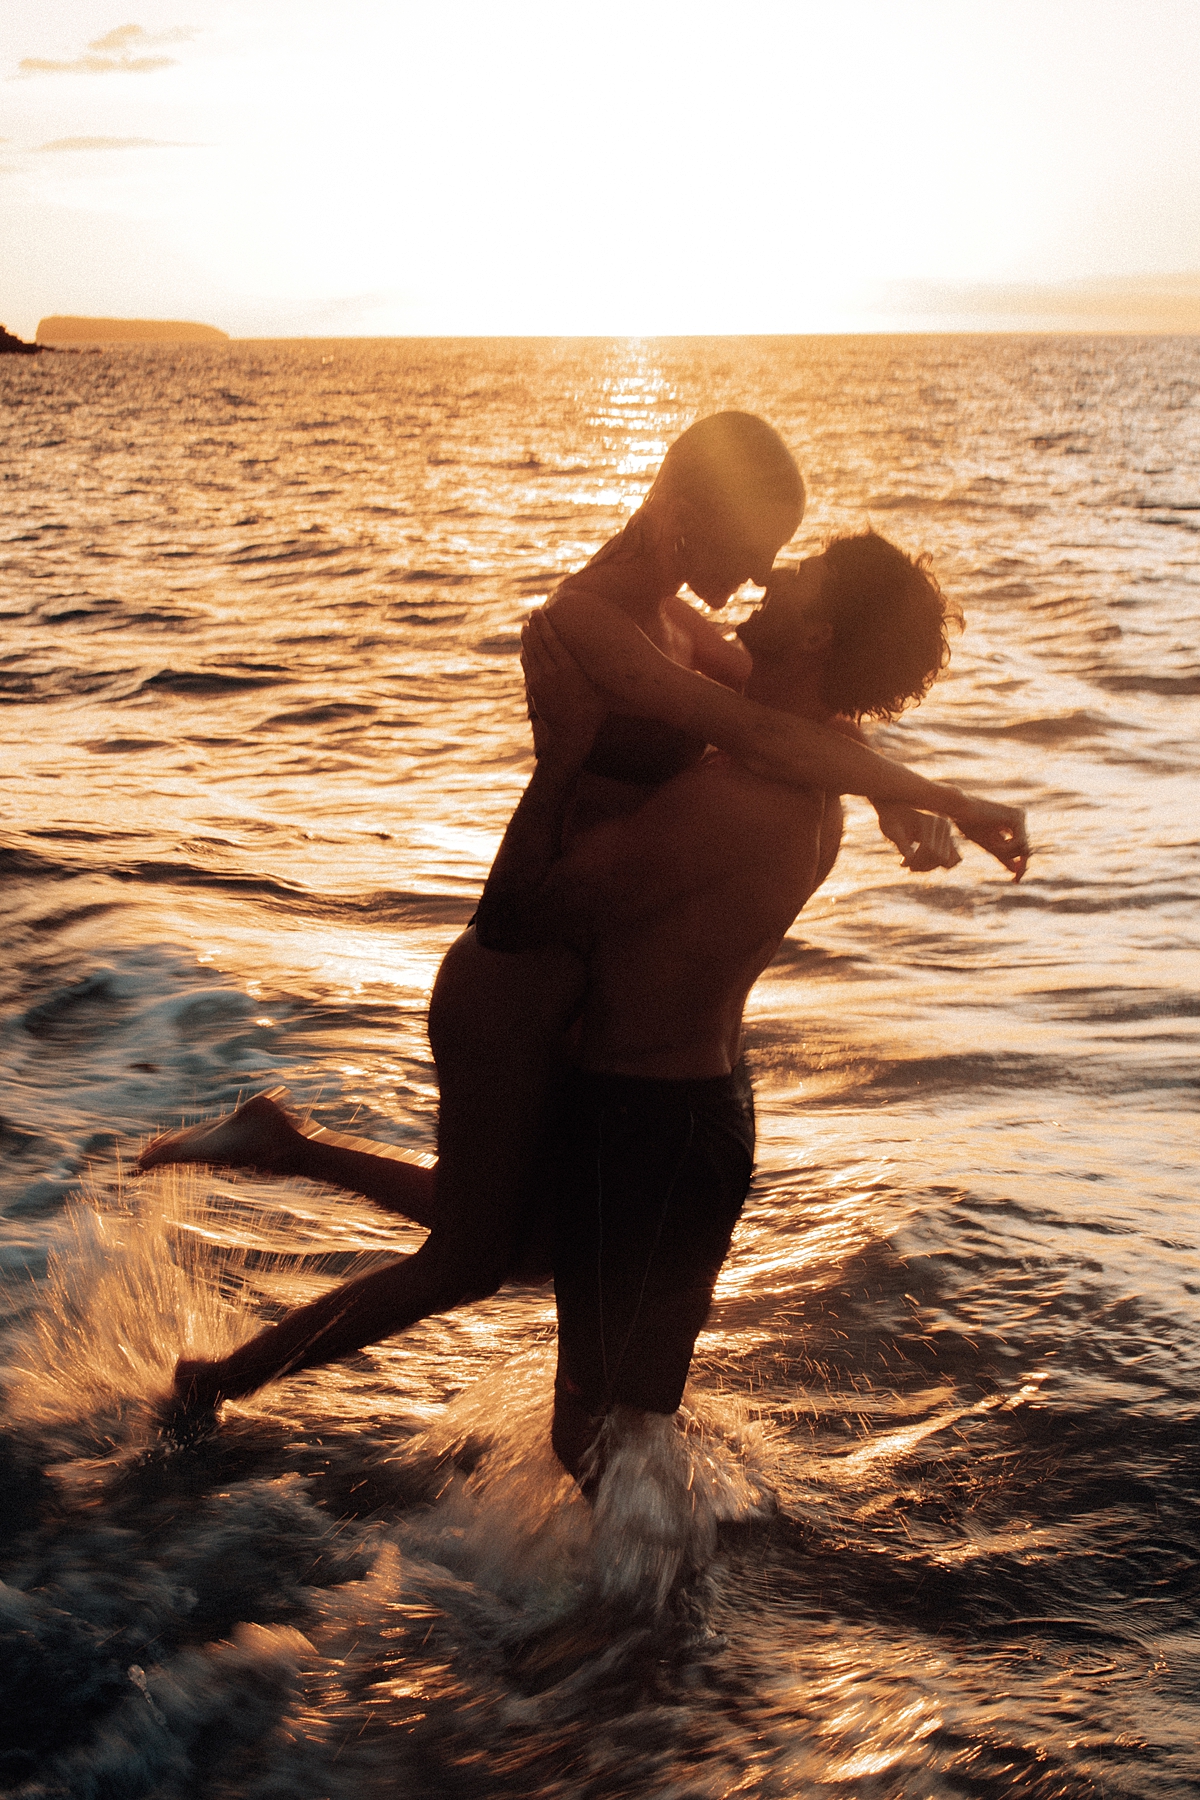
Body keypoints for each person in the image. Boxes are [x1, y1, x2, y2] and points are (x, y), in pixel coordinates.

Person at [145, 528, 1005, 1433]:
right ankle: (241, 1298)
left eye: (805, 574)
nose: (776, 573)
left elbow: (524, 914)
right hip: (647, 1102)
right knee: (506, 1257)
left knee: (594, 1428)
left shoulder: (738, 803)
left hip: (659, 1129)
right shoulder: (790, 749)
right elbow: (810, 725)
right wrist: (900, 793)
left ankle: (644, 1574)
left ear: (821, 633)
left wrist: (563, 756)